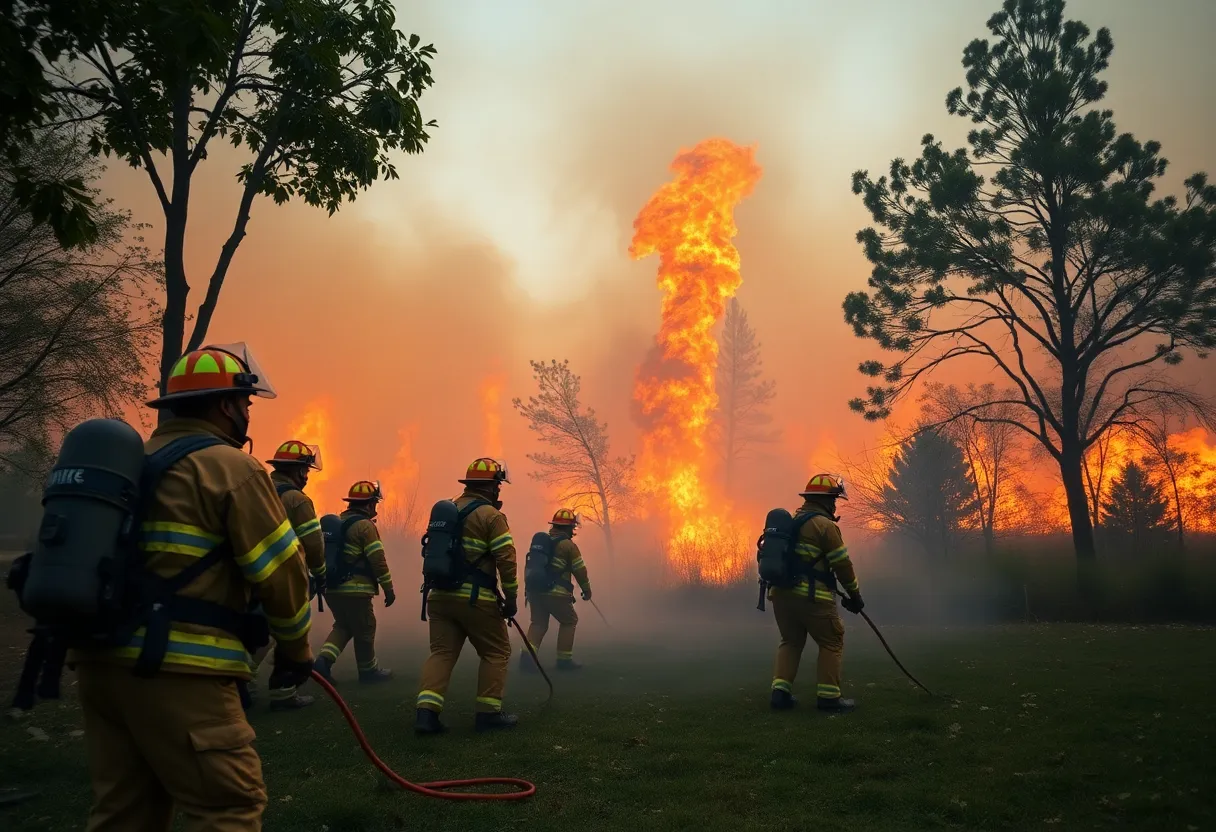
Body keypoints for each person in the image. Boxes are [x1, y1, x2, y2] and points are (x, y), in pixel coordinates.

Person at [73, 344, 313, 831]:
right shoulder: (230, 467)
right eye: (245, 404)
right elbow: (283, 572)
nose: (248, 413)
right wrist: (295, 650)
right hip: (178, 667)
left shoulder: (130, 463)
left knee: (124, 814)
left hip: (100, 666)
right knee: (227, 808)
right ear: (225, 405)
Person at [415, 457, 519, 734]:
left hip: (439, 596)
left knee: (441, 653)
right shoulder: (491, 516)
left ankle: (426, 716)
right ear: (492, 487)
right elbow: (506, 558)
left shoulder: (448, 510)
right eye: (498, 485)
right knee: (497, 652)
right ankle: (488, 714)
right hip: (475, 598)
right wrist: (511, 598)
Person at [768, 473, 864, 714]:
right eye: (834, 500)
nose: (835, 505)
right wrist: (855, 595)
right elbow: (842, 564)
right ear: (826, 501)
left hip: (780, 595)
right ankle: (829, 698)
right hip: (812, 597)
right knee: (831, 640)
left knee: (791, 641)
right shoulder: (825, 526)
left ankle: (780, 694)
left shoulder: (791, 522)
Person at [248, 440, 327, 710]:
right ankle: (241, 681)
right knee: (280, 631)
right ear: (295, 471)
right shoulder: (297, 500)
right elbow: (313, 543)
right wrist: (320, 572)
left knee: (256, 628)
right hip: (284, 577)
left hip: (249, 571)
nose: (306, 476)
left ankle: (281, 692)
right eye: (305, 470)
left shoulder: (257, 490)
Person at [314, 480, 395, 683]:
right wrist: (388, 588)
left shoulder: (338, 523)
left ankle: (322, 663)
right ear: (368, 505)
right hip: (356, 589)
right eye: (374, 503)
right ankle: (368, 671)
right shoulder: (365, 527)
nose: (375, 507)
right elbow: (378, 560)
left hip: (331, 588)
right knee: (366, 627)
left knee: (343, 626)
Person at [521, 508, 592, 671]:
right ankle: (564, 661)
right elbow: (580, 570)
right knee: (569, 621)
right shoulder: (568, 546)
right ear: (569, 528)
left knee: (538, 624)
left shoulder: (542, 545)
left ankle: (526, 660)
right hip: (556, 594)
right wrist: (587, 590)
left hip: (535, 592)